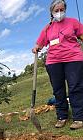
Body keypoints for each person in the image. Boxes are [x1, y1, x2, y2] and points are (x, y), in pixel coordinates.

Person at [32, 0, 83, 130]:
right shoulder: (48, 28)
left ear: (65, 10)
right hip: (53, 62)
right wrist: (36, 48)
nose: (59, 13)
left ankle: (78, 117)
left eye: (61, 10)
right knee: (58, 90)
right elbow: (40, 43)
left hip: (74, 59)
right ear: (52, 12)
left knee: (75, 87)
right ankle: (62, 116)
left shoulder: (73, 22)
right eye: (56, 10)